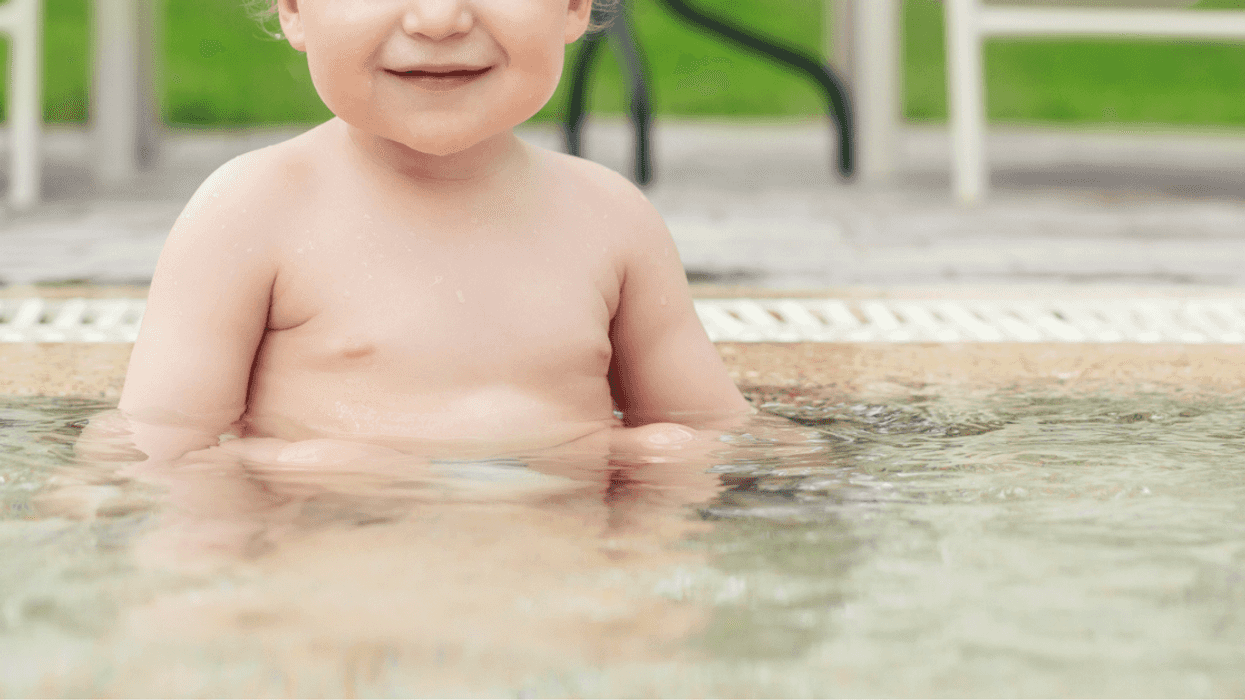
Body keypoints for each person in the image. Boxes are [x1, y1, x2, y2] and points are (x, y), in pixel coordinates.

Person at [112, 0, 752, 483]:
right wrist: (289, 467)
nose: (439, 18)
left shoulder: (612, 218)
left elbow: (711, 428)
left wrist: (646, 468)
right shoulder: (252, 212)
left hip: (553, 589)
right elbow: (155, 452)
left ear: (576, 4)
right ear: (294, 7)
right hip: (330, 594)